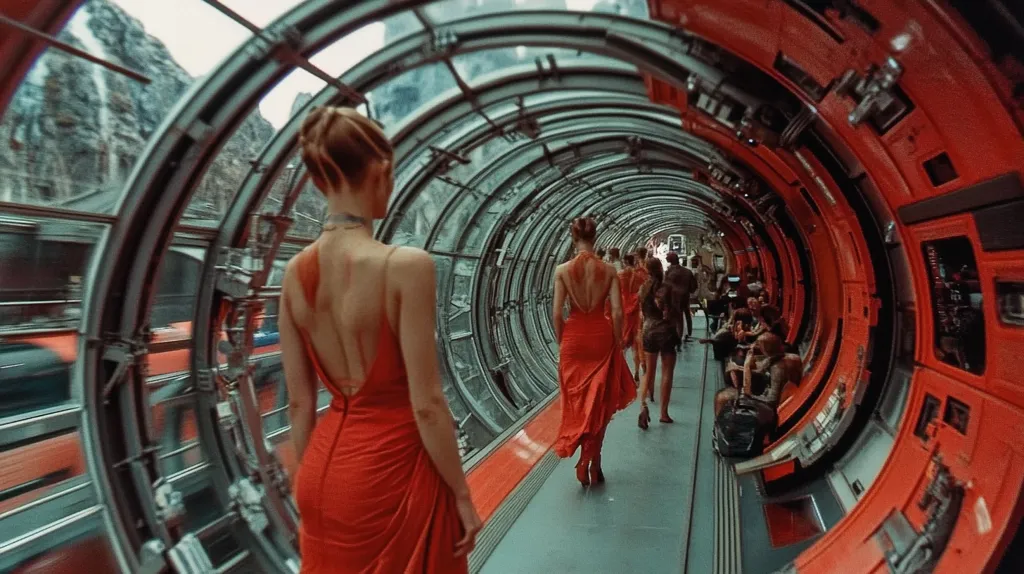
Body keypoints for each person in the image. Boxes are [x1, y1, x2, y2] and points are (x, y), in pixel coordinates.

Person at [279, 106, 480, 573]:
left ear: (317, 180)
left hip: (322, 472)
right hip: (390, 474)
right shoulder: (407, 266)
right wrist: (462, 493)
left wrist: (313, 485)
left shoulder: (293, 275)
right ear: (381, 169)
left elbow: (298, 405)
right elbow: (427, 403)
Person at [552, 217, 637, 487]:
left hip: (573, 338)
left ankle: (585, 457)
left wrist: (562, 340)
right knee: (601, 403)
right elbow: (616, 311)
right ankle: (592, 462)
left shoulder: (562, 270)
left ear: (572, 237)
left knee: (577, 402)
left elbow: (557, 313)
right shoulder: (609, 270)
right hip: (601, 336)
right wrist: (618, 340)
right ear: (596, 237)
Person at [636, 257, 680, 428]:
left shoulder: (643, 288)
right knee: (667, 371)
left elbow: (642, 312)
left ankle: (643, 406)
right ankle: (664, 413)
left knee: (648, 371)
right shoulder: (666, 287)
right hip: (664, 331)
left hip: (648, 329)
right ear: (661, 268)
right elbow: (667, 310)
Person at [714, 333, 789, 428]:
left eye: (759, 345)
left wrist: (748, 395)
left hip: (765, 401)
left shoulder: (778, 369)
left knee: (725, 398)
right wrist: (739, 367)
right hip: (762, 389)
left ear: (766, 348)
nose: (755, 346)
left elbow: (772, 400)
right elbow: (760, 369)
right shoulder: (771, 358)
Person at [617, 254, 644, 380]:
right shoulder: (639, 275)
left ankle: (621, 371)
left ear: (625, 261)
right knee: (635, 343)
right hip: (635, 310)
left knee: (622, 342)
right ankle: (637, 371)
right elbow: (642, 292)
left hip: (623, 308)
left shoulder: (620, 275)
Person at [664, 251, 697, 345]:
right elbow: (693, 287)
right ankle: (687, 334)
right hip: (685, 297)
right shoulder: (687, 271)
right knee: (686, 315)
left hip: (673, 299)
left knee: (676, 318)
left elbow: (665, 287)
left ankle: (677, 337)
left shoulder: (669, 272)